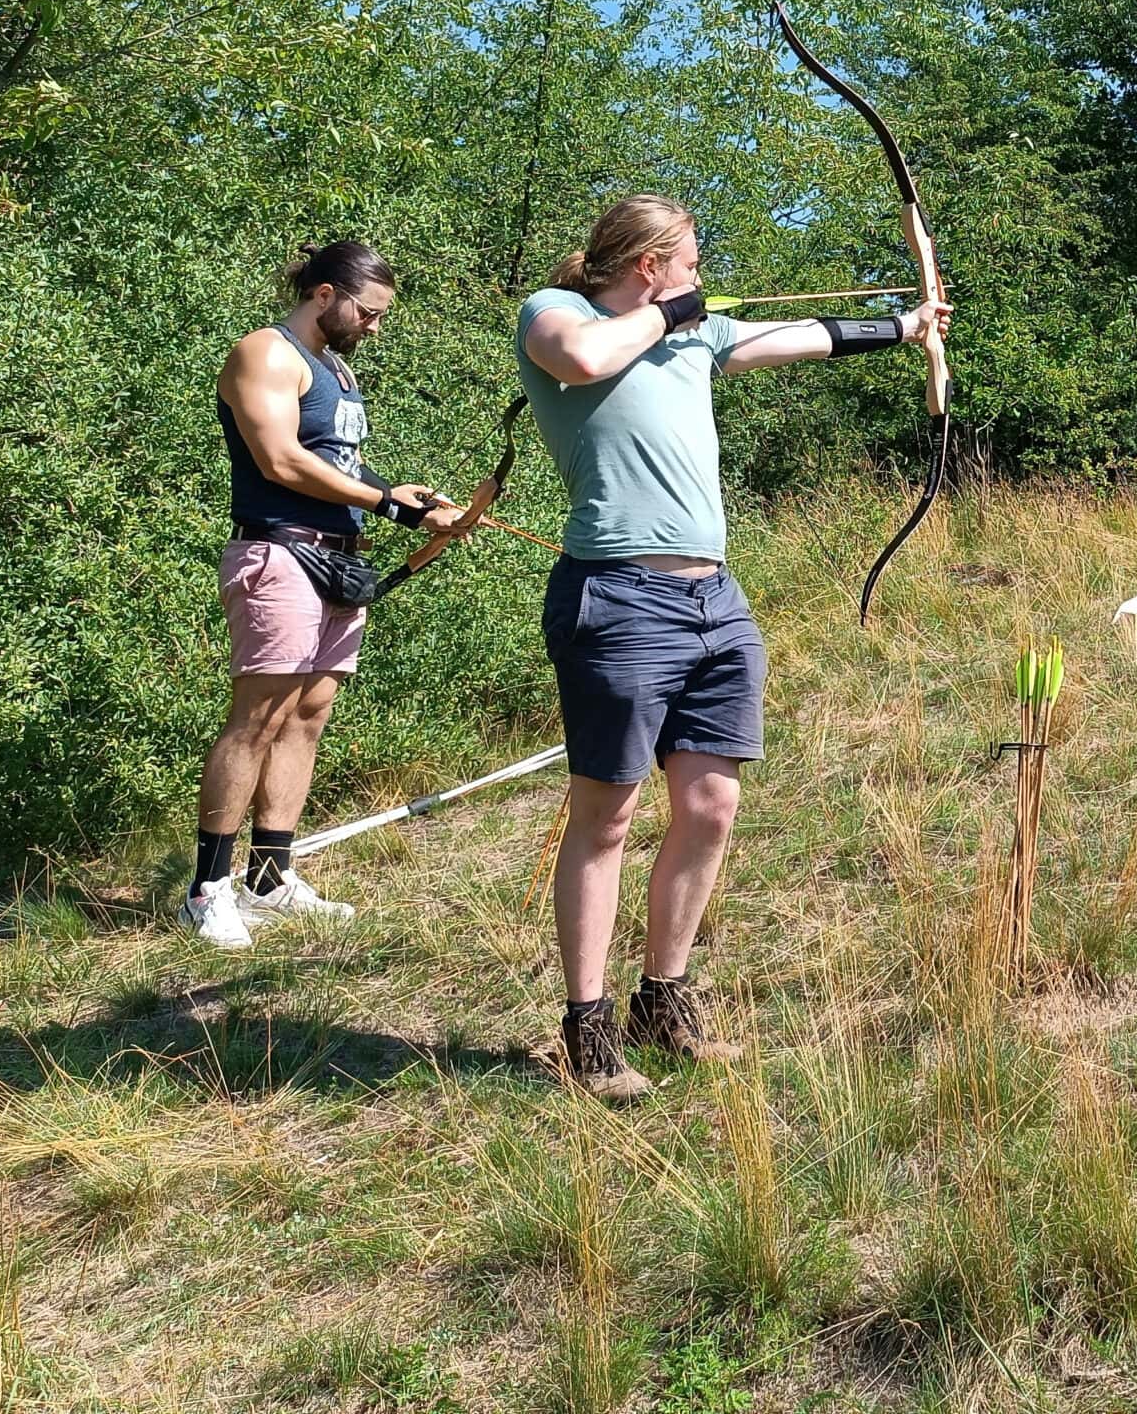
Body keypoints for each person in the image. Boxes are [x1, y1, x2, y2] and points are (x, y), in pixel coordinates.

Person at [518, 194, 949, 1101]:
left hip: (715, 598)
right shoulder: (559, 318)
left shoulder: (694, 335)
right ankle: (587, 1030)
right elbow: (586, 358)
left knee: (711, 805)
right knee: (608, 817)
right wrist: (673, 314)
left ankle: (663, 1001)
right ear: (650, 265)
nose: (702, 277)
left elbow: (805, 337)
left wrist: (907, 327)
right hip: (618, 597)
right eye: (692, 261)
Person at [184, 241, 469, 949]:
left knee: (308, 715)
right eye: (368, 313)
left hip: (339, 561)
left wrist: (399, 493)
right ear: (324, 294)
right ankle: (208, 889)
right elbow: (280, 459)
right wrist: (388, 504)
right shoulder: (265, 352)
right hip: (278, 552)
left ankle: (270, 879)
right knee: (258, 716)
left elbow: (333, 460)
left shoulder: (335, 369)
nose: (374, 327)